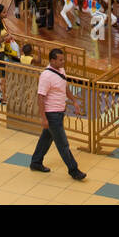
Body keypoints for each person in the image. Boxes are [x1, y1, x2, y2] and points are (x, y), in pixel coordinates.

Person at [28, 47, 86, 181]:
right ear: (52, 60)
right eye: (60, 60)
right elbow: (40, 97)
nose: (63, 62)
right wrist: (43, 118)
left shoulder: (61, 71)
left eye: (63, 59)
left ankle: (36, 162)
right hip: (52, 114)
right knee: (63, 144)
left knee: (46, 138)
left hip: (60, 112)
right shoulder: (46, 76)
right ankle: (74, 170)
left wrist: (74, 102)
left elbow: (65, 87)